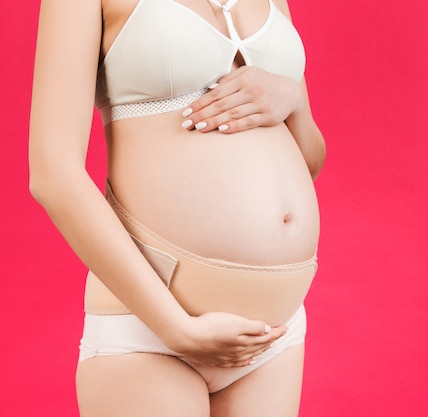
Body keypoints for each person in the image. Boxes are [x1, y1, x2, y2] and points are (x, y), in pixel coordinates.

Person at [29, 0, 325, 415]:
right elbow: (52, 174)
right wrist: (175, 328)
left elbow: (308, 159)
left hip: (272, 333)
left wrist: (293, 99)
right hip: (153, 327)